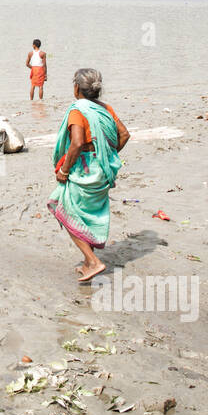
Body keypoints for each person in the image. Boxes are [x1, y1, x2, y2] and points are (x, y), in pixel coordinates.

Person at [48, 68, 130, 284]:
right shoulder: (107, 109)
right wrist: (106, 156)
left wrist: (64, 171)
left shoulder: (78, 111)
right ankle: (87, 263)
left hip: (84, 172)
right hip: (103, 170)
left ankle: (93, 261)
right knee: (88, 215)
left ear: (76, 88)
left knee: (60, 207)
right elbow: (124, 134)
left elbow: (75, 143)